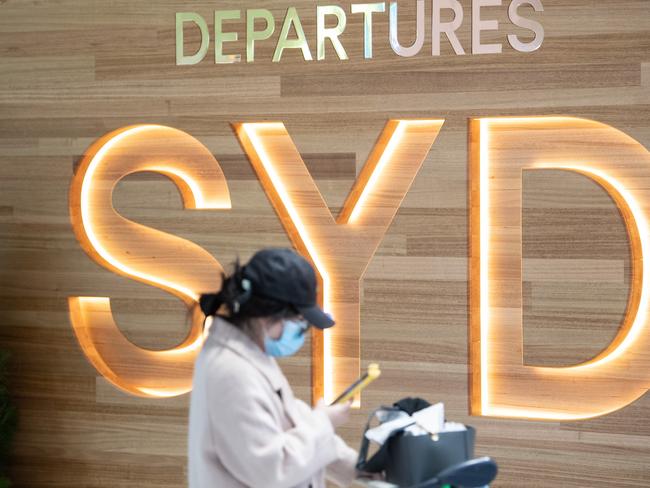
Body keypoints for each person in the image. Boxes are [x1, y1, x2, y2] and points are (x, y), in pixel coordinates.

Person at [188, 248, 359, 488]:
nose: (301, 332)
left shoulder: (251, 355)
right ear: (265, 316)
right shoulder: (230, 372)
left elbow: (291, 422)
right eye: (299, 322)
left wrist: (364, 469)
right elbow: (271, 470)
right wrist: (323, 423)